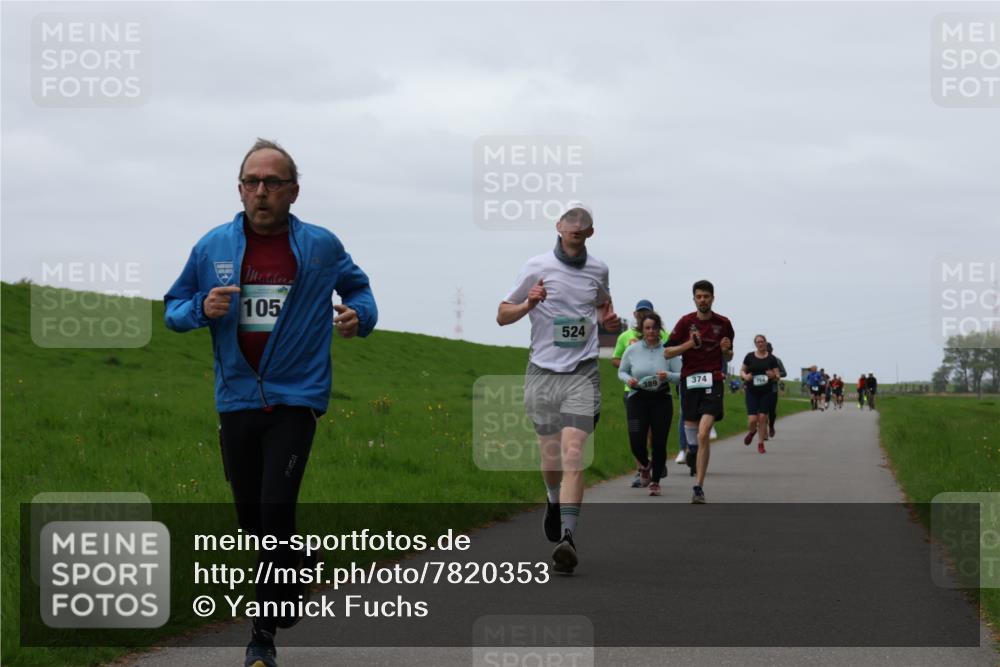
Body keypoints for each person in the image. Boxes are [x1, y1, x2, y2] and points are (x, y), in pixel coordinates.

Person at [164, 139, 378, 667]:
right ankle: (300, 565)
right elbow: (172, 309)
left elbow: (360, 290)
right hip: (236, 398)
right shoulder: (212, 246)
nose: (262, 191)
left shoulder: (320, 246)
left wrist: (359, 316)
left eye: (273, 182)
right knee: (250, 520)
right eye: (252, 182)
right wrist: (201, 307)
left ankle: (261, 639)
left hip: (296, 399)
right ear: (240, 190)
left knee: (275, 509)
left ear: (293, 191)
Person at [497, 203, 620, 574]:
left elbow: (602, 306)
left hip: (582, 373)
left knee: (572, 453)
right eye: (570, 231)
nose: (575, 237)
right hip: (542, 372)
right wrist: (529, 303)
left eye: (582, 232)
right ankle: (553, 502)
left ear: (590, 234)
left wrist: (608, 320)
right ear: (558, 228)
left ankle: (568, 537)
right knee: (550, 459)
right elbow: (502, 314)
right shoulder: (536, 266)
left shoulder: (599, 270)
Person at [664, 280, 734, 504]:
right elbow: (667, 352)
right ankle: (692, 451)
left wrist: (726, 351)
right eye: (699, 296)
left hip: (713, 380)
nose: (703, 300)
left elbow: (729, 355)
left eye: (706, 296)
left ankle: (698, 486)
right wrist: (688, 345)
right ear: (694, 299)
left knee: (704, 434)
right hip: (689, 382)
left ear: (713, 298)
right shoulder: (685, 323)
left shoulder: (723, 323)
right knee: (693, 436)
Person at [612, 300, 669, 487]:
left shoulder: (666, 339)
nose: (650, 330)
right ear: (637, 318)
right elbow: (619, 364)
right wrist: (629, 378)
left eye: (653, 327)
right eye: (641, 314)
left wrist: (667, 375)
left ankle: (655, 476)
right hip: (634, 394)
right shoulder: (627, 340)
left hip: (660, 396)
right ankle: (645, 465)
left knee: (656, 436)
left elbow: (678, 367)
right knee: (637, 437)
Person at [740, 335, 780, 454]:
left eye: (762, 341)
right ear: (755, 344)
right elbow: (742, 371)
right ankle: (752, 432)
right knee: (752, 420)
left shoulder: (772, 359)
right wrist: (745, 376)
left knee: (762, 417)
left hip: (766, 392)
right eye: (758, 342)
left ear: (765, 343)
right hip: (752, 391)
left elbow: (777, 376)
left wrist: (774, 376)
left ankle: (761, 443)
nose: (760, 344)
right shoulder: (749, 356)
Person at [766, 342, 787, 437]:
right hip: (758, 388)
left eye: (768, 349)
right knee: (761, 411)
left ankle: (771, 426)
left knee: (772, 411)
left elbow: (784, 373)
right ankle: (763, 432)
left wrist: (775, 375)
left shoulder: (777, 360)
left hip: (772, 388)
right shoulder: (756, 359)